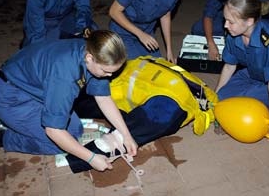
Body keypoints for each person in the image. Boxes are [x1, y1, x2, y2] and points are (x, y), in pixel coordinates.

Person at [0, 30, 137, 172]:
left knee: (75, 131)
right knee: (58, 144)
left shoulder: (91, 49)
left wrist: (126, 135)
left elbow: (104, 98)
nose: (110, 75)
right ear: (89, 58)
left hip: (33, 87)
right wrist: (91, 158)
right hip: (11, 97)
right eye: (106, 71)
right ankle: (3, 135)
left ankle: (18, 122)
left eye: (113, 71)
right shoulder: (65, 77)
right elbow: (53, 130)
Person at [66, 56, 218, 173]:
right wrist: (90, 157)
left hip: (131, 78)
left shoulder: (172, 107)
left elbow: (117, 140)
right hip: (121, 82)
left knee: (78, 104)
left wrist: (86, 157)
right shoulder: (180, 105)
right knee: (71, 102)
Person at [214, 0, 269, 135]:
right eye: (225, 20)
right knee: (221, 98)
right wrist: (215, 96)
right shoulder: (233, 33)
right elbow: (229, 66)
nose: (225, 25)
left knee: (241, 101)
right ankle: (257, 98)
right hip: (254, 71)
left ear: (249, 21)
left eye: (231, 21)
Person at [191, 0, 269, 60]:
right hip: (227, 15)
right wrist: (211, 43)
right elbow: (208, 15)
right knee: (197, 29)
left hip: (249, 20)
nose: (225, 25)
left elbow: (260, 20)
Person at [108, 0, 181, 63]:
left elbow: (165, 15)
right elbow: (113, 11)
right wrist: (140, 34)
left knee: (157, 65)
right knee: (135, 67)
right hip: (122, 31)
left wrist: (169, 50)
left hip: (147, 31)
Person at [21, 0, 98, 48]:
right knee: (41, 48)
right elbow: (35, 26)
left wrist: (80, 29)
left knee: (92, 31)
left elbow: (83, 7)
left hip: (67, 16)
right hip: (45, 22)